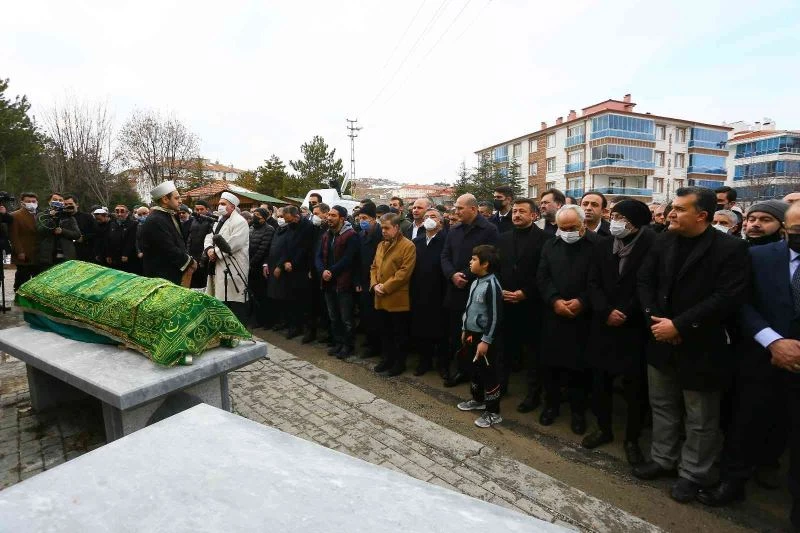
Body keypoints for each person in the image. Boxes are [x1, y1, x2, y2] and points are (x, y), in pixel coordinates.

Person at [635, 186, 749, 503]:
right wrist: (656, 322)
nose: (671, 213)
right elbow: (644, 281)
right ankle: (663, 459)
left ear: (701, 215)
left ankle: (693, 473)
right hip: (660, 338)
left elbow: (727, 297)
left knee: (700, 417)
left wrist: (680, 325)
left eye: (680, 209)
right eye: (672, 207)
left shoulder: (730, 249)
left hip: (702, 345)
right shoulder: (663, 240)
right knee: (663, 405)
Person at [697, 202, 800, 524]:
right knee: (746, 422)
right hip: (760, 356)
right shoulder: (759, 257)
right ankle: (733, 482)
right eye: (795, 230)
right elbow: (740, 302)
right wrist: (774, 341)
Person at [583, 200, 655, 465]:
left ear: (636, 220)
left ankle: (632, 439)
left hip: (633, 327)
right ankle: (603, 428)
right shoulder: (603, 245)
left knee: (634, 387)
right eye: (613, 215)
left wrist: (625, 312)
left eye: (622, 216)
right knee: (600, 381)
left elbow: (648, 285)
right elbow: (593, 282)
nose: (615, 221)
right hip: (603, 324)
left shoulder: (652, 246)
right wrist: (605, 310)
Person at [537, 205, 599, 435]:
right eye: (562, 228)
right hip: (553, 314)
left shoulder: (597, 245)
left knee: (578, 370)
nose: (567, 232)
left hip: (583, 317)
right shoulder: (550, 245)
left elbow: (598, 280)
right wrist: (554, 301)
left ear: (582, 225)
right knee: (551, 366)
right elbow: (542, 277)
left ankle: (577, 412)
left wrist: (583, 301)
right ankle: (550, 406)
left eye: (572, 228)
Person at [496, 198, 551, 410]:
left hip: (532, 305)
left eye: (522, 211)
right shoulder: (503, 238)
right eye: (515, 211)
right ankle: (501, 386)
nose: (516, 215)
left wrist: (525, 293)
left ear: (534, 215)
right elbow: (496, 268)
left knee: (533, 354)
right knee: (504, 350)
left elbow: (544, 273)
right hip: (505, 301)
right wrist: (500, 289)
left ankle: (533, 394)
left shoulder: (546, 239)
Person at [441, 194, 499, 387]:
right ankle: (458, 368)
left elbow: (489, 260)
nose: (455, 212)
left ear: (473, 209)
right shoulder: (454, 229)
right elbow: (445, 255)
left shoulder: (489, 230)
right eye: (455, 208)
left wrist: (465, 276)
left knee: (472, 337)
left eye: (459, 208)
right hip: (454, 289)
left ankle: (472, 373)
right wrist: (452, 275)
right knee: (455, 332)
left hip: (475, 290)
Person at [455, 245, 504, 428]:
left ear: (485, 264)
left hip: (485, 338)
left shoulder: (492, 285)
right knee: (474, 368)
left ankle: (493, 411)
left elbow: (495, 316)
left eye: (474, 260)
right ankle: (478, 399)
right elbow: (469, 310)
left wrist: (486, 341)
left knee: (489, 373)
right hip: (470, 334)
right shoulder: (475, 281)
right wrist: (464, 329)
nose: (470, 262)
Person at [371, 212, 416, 376]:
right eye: (381, 227)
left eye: (387, 228)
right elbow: (374, 267)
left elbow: (404, 272)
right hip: (380, 296)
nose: (383, 231)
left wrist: (385, 287)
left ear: (396, 228)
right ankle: (387, 359)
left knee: (399, 333)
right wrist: (375, 284)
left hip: (397, 297)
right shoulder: (380, 245)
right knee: (385, 332)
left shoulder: (408, 246)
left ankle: (399, 363)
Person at [316, 205, 359, 359]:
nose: (329, 218)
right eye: (328, 215)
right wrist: (322, 271)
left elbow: (348, 259)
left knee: (346, 317)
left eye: (333, 215)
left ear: (342, 218)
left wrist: (331, 271)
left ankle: (348, 346)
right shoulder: (327, 235)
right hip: (328, 281)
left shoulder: (350, 235)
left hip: (343, 282)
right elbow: (319, 255)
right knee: (333, 316)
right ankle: (338, 343)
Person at [410, 208, 448, 376]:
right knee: (421, 328)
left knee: (441, 330)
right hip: (420, 290)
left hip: (440, 290)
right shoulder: (417, 241)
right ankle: (424, 361)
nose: (428, 219)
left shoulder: (447, 240)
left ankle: (442, 364)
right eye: (426, 217)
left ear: (440, 221)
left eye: (433, 216)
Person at [140, 181, 197, 285]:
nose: (180, 201)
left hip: (172, 272)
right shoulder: (155, 220)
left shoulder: (170, 215)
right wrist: (190, 261)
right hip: (161, 276)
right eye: (177, 198)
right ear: (165, 199)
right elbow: (167, 248)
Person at [204, 192, 250, 320]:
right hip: (217, 264)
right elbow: (209, 236)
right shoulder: (218, 220)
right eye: (219, 204)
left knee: (234, 299)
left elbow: (234, 243)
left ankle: (237, 332)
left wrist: (216, 253)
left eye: (223, 204)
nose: (220, 206)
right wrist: (209, 250)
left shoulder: (240, 222)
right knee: (220, 298)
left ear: (232, 207)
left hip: (233, 266)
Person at [276, 205, 314, 338]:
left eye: (289, 220)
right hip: (289, 268)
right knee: (291, 300)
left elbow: (305, 248)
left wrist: (293, 263)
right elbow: (286, 246)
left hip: (303, 269)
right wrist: (284, 262)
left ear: (297, 216)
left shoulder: (308, 227)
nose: (287, 223)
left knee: (304, 301)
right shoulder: (290, 226)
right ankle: (294, 326)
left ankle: (307, 329)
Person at [355, 202, 383, 358]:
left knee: (377, 316)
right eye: (359, 218)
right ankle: (370, 342)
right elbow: (358, 260)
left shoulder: (380, 235)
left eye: (365, 218)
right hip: (364, 281)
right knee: (366, 314)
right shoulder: (360, 235)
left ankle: (378, 345)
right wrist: (358, 281)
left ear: (374, 219)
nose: (362, 221)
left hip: (378, 281)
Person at [36, 193, 81, 269]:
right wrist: (51, 217)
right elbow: (40, 231)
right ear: (49, 202)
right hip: (48, 255)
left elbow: (77, 234)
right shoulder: (42, 215)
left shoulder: (69, 217)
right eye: (55, 200)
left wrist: (62, 231)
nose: (58, 202)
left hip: (66, 255)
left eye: (60, 200)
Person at [249, 208, 274, 327]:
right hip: (249, 266)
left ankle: (264, 320)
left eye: (258, 215)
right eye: (254, 214)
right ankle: (254, 318)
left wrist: (251, 263)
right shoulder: (251, 228)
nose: (255, 217)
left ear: (264, 218)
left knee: (261, 294)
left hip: (259, 267)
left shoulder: (269, 229)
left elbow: (263, 249)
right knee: (252, 294)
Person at [266, 208, 291, 329]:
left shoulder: (290, 230)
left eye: (282, 216)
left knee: (283, 296)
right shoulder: (277, 230)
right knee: (274, 296)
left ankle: (284, 321)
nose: (280, 219)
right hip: (272, 265)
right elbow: (271, 247)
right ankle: (278, 320)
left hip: (281, 268)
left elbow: (288, 250)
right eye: (279, 216)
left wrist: (280, 265)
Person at [10, 192, 40, 290]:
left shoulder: (41, 215)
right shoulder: (15, 215)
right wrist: (20, 251)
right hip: (24, 252)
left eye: (33, 201)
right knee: (22, 277)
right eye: (28, 201)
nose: (31, 203)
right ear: (22, 202)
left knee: (37, 278)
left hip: (38, 253)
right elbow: (14, 236)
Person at [186, 200, 213, 288]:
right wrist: (188, 253)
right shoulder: (193, 220)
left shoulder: (211, 221)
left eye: (201, 209)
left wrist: (204, 257)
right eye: (197, 209)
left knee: (204, 281)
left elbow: (210, 239)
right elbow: (190, 237)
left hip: (205, 256)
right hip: (193, 255)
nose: (199, 212)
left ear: (207, 209)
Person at [105, 204, 138, 273]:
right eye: (117, 212)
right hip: (114, 256)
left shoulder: (133, 224)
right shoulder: (111, 224)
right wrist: (108, 254)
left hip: (127, 257)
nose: (119, 214)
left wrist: (126, 254)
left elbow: (131, 241)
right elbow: (108, 240)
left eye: (122, 212)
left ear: (127, 213)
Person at [64, 195, 97, 263]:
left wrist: (83, 238)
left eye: (70, 204)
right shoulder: (62, 218)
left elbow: (96, 233)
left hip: (85, 253)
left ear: (77, 205)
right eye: (65, 204)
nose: (68, 206)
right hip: (67, 254)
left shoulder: (87, 217)